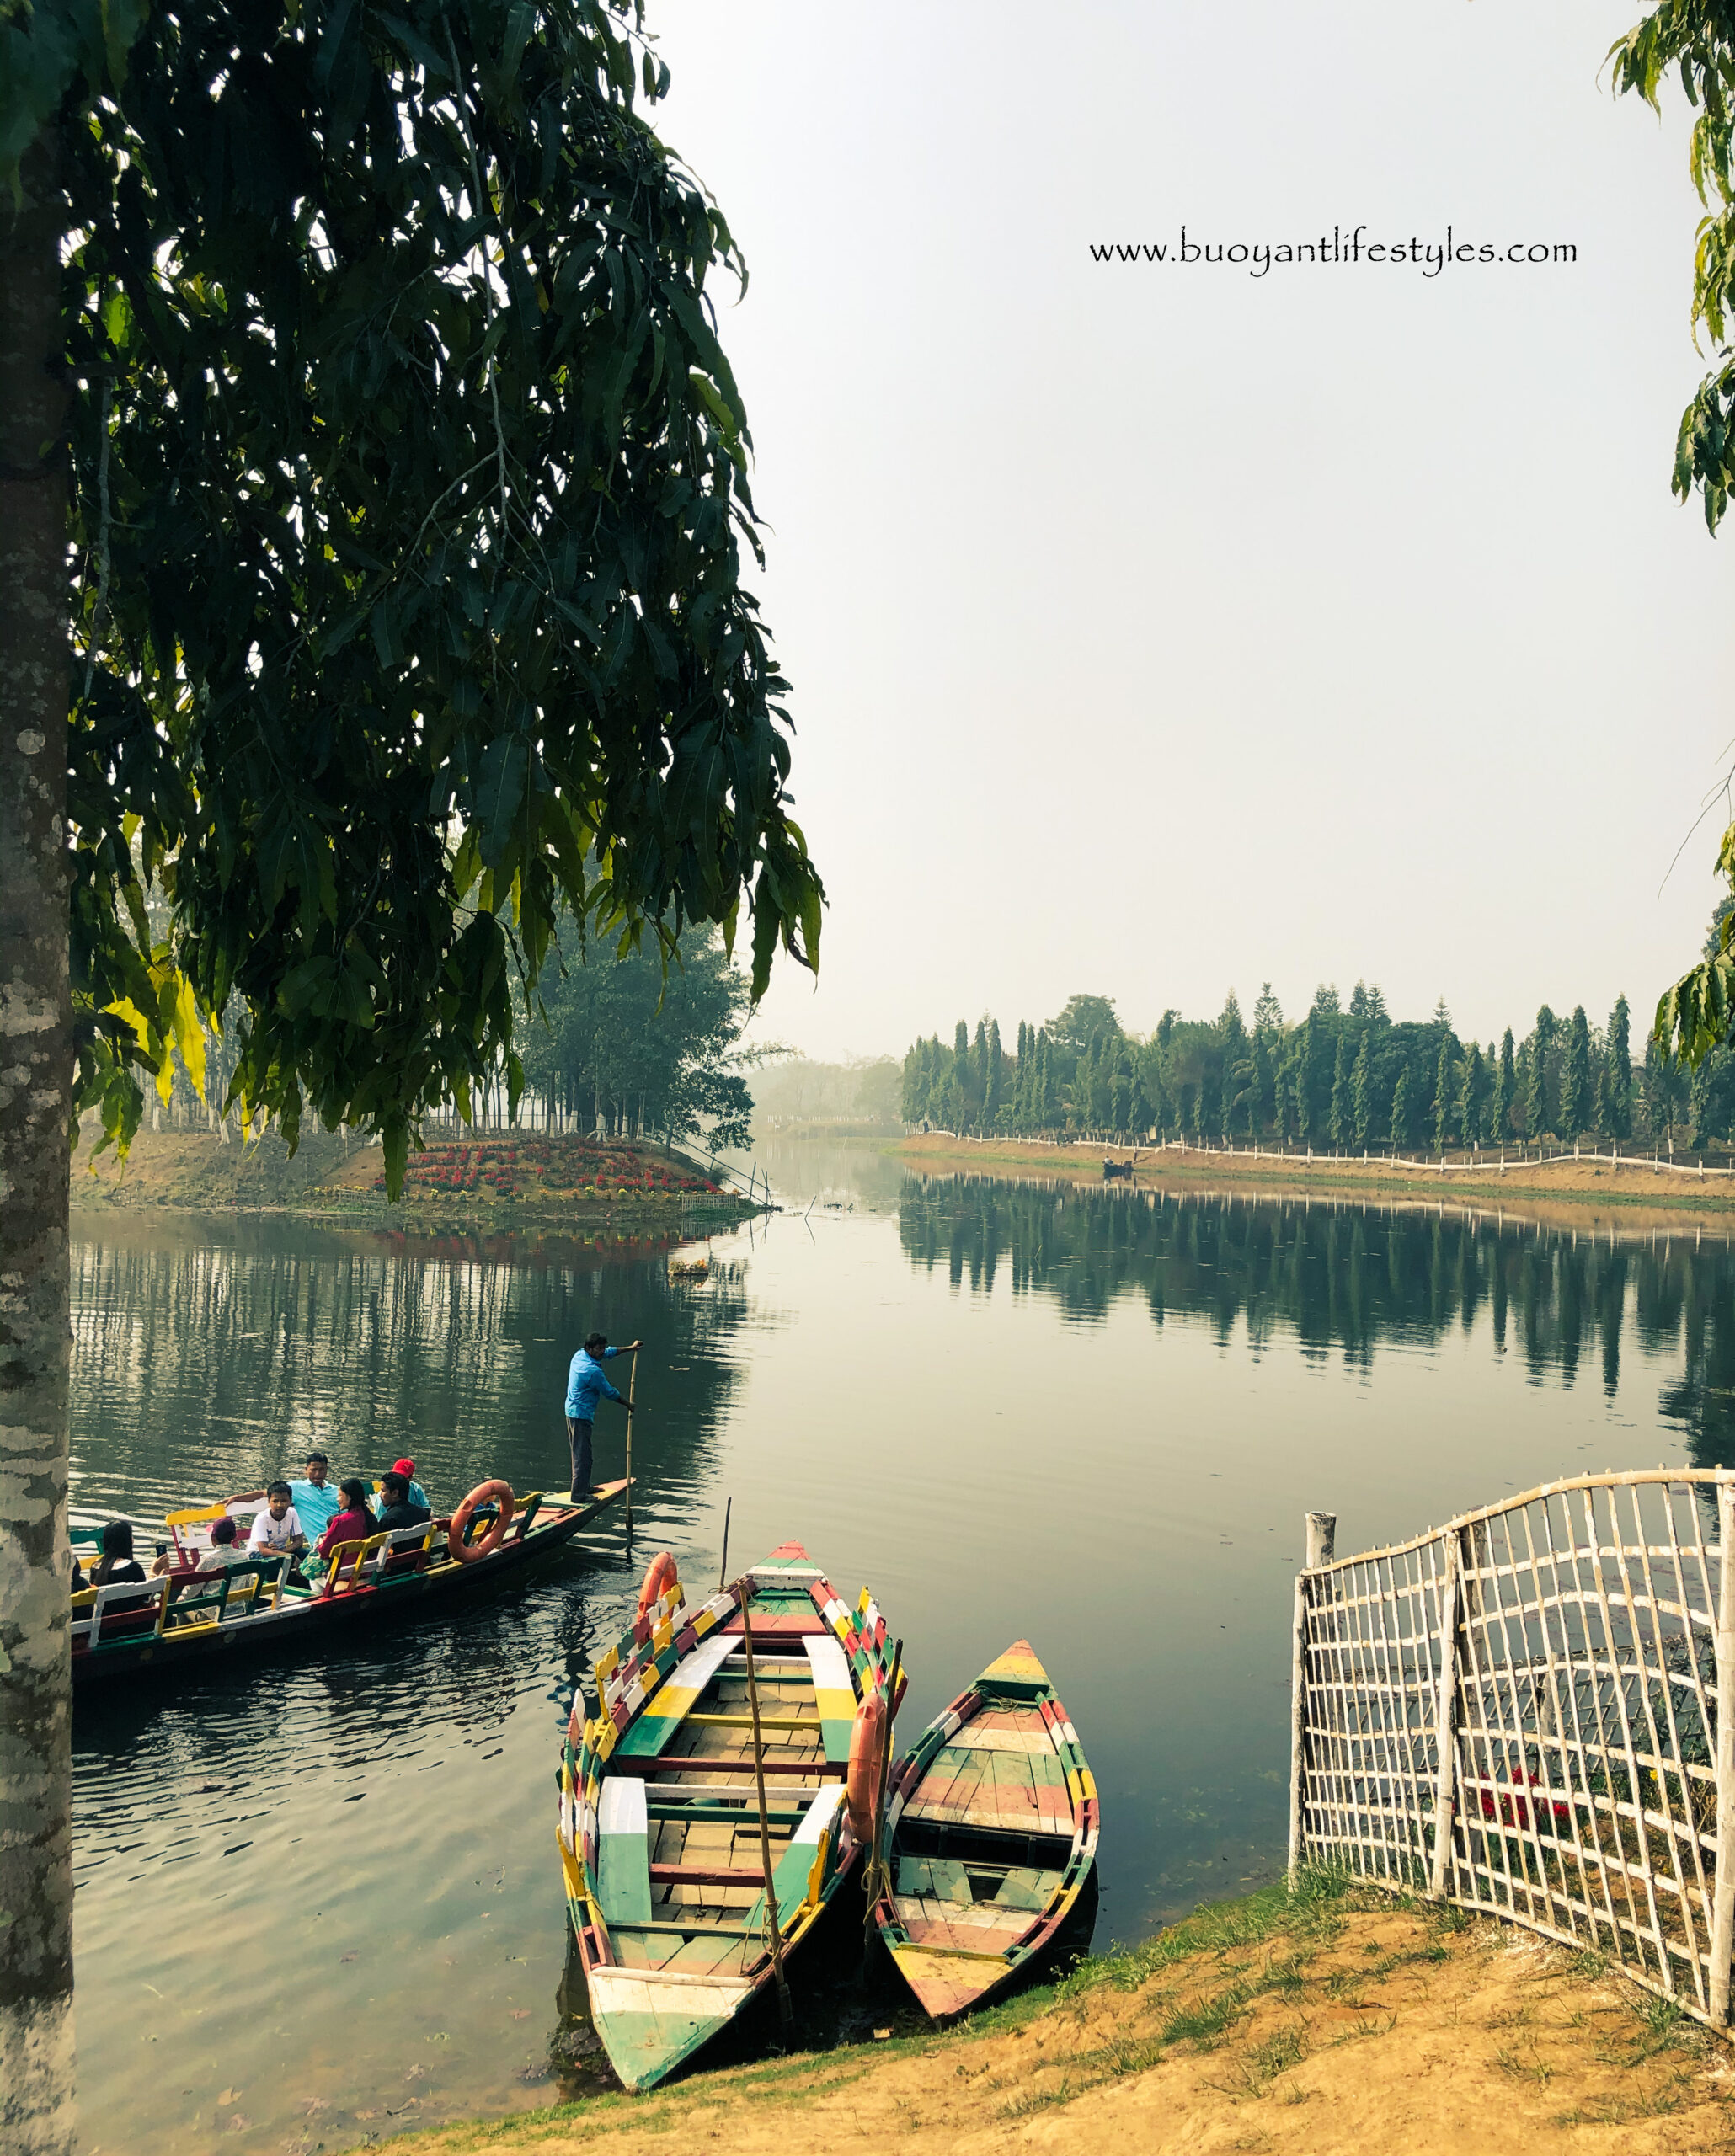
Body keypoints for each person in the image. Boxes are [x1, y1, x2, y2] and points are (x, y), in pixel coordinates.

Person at [563, 1331, 641, 1502]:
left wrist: (631, 1348)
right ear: (589, 1348)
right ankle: (578, 1495)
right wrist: (628, 1405)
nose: (602, 1352)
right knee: (581, 1457)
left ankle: (584, 1486)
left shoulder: (581, 1354)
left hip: (576, 1412)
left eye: (603, 1348)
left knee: (586, 1455)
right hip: (579, 1415)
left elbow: (610, 1352)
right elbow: (610, 1392)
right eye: (599, 1349)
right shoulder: (591, 1371)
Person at [315, 1478, 376, 1563]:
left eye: (340, 1495)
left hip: (343, 1572)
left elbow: (324, 1553)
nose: (337, 1499)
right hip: (368, 1569)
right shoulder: (370, 1517)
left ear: (349, 1497)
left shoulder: (340, 1521)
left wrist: (322, 1541)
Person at [290, 1452, 341, 1549]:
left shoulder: (337, 1491)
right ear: (306, 1470)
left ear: (327, 1470)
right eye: (313, 1470)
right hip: (319, 1544)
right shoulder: (297, 1488)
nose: (317, 1474)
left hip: (340, 1539)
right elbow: (269, 1493)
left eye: (322, 1470)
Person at [247, 1482, 305, 1557]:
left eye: (284, 1501)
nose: (279, 1505)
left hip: (280, 1550)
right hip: (257, 1554)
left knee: (306, 1554)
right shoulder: (262, 1518)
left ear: (290, 1501)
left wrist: (281, 1552)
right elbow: (263, 1550)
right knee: (273, 1561)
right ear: (269, 1501)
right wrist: (290, 1557)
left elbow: (298, 1542)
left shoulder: (292, 1513)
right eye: (275, 1501)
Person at [88, 1520, 147, 1588]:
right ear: (129, 1541)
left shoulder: (95, 1567)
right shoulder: (133, 1568)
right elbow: (145, 1596)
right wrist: (154, 1574)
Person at [374, 1471, 430, 1535]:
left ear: (395, 1493)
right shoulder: (423, 1513)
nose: (380, 1495)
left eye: (383, 1491)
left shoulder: (388, 1519)